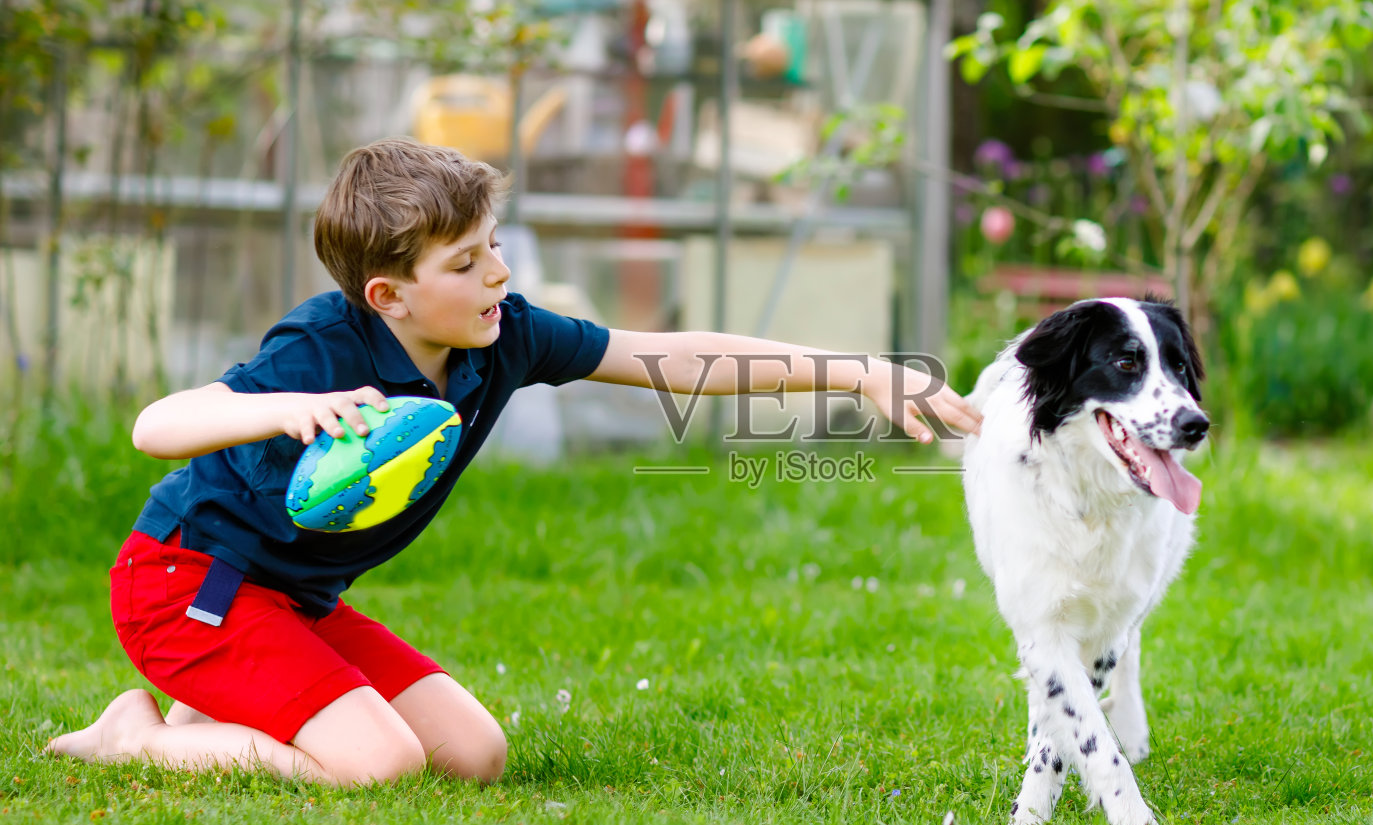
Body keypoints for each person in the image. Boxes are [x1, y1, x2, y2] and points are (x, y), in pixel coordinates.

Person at [45, 138, 981, 787]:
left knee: (475, 754)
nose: (496, 272)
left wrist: (857, 373)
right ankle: (140, 737)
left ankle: (226, 722)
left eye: (494, 244)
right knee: (383, 766)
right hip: (185, 585)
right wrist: (291, 407)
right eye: (465, 261)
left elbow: (676, 357)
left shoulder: (506, 336)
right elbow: (159, 424)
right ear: (390, 296)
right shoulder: (320, 350)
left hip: (291, 599)